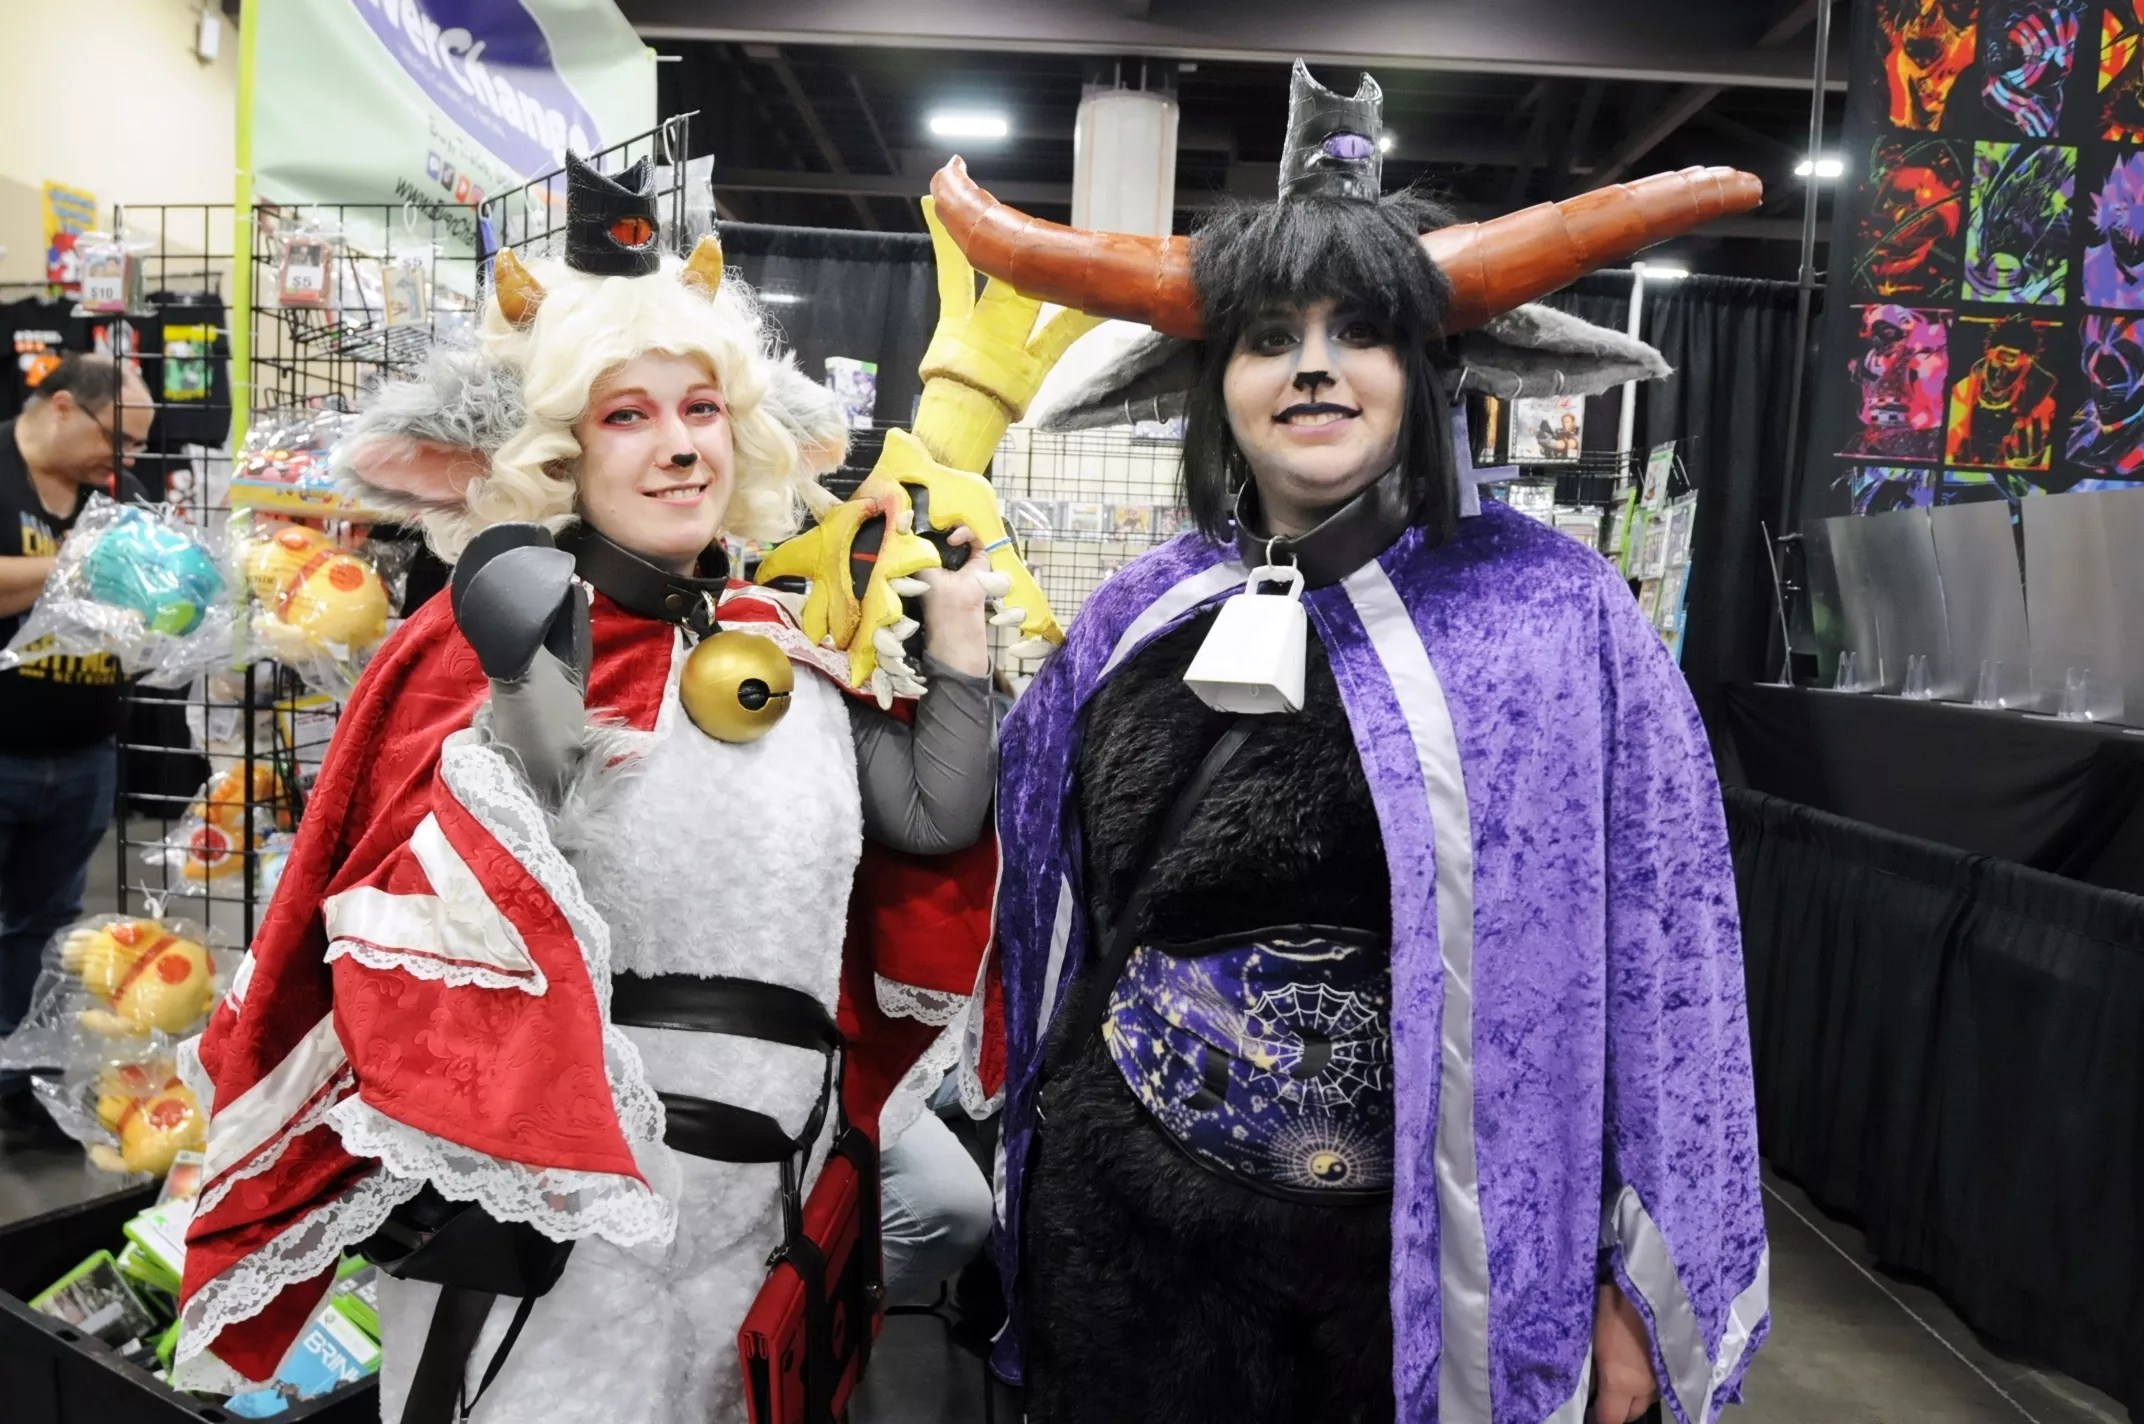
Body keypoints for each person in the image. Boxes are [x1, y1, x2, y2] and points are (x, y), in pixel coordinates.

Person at [934, 62, 1770, 1424]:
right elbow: (1048, 921)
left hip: (1426, 1276)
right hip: (1135, 1250)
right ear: (1211, 380)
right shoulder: (1138, 617)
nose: (1312, 364)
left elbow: (1668, 957)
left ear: (1427, 369)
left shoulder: (1556, 617)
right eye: (1267, 335)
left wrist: (1638, 1275)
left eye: (1360, 329)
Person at [172, 156, 1004, 1424]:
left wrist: (955, 641)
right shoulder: (489, 646)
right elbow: (474, 882)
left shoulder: (786, 648)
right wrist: (529, 670)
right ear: (558, 448)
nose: (679, 445)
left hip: (764, 1206)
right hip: (563, 1227)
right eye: (627, 415)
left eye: (701, 407)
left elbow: (930, 820)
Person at [0, 354, 154, 1145]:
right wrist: (78, 564)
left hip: (86, 754)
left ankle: (16, 1081)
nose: (122, 460)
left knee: (43, 926)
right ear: (63, 406)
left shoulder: (114, 495)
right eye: (116, 439)